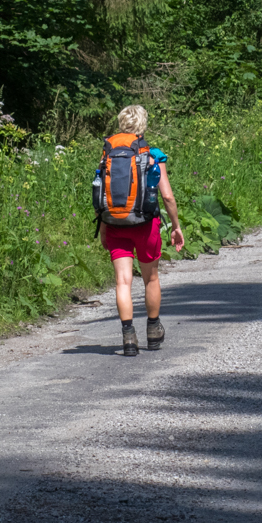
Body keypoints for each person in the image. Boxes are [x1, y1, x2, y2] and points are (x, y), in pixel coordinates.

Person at [100, 105, 184, 356]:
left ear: (121, 124)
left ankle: (128, 338)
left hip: (115, 224)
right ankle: (153, 331)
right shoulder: (152, 155)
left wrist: (104, 227)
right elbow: (167, 197)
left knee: (123, 281)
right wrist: (176, 226)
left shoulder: (108, 154)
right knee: (151, 278)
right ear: (143, 125)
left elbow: (103, 195)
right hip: (146, 224)